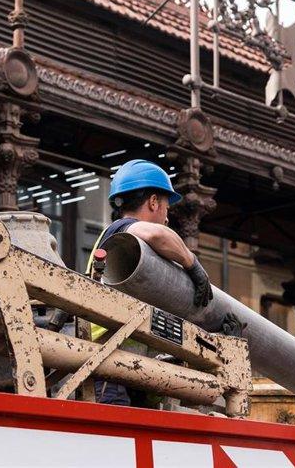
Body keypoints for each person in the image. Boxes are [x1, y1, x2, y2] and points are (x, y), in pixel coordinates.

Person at [87, 159, 213, 405]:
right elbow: (157, 233)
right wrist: (193, 264)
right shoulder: (120, 231)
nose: (167, 218)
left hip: (124, 362)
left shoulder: (137, 249)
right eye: (166, 207)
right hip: (106, 361)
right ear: (153, 202)